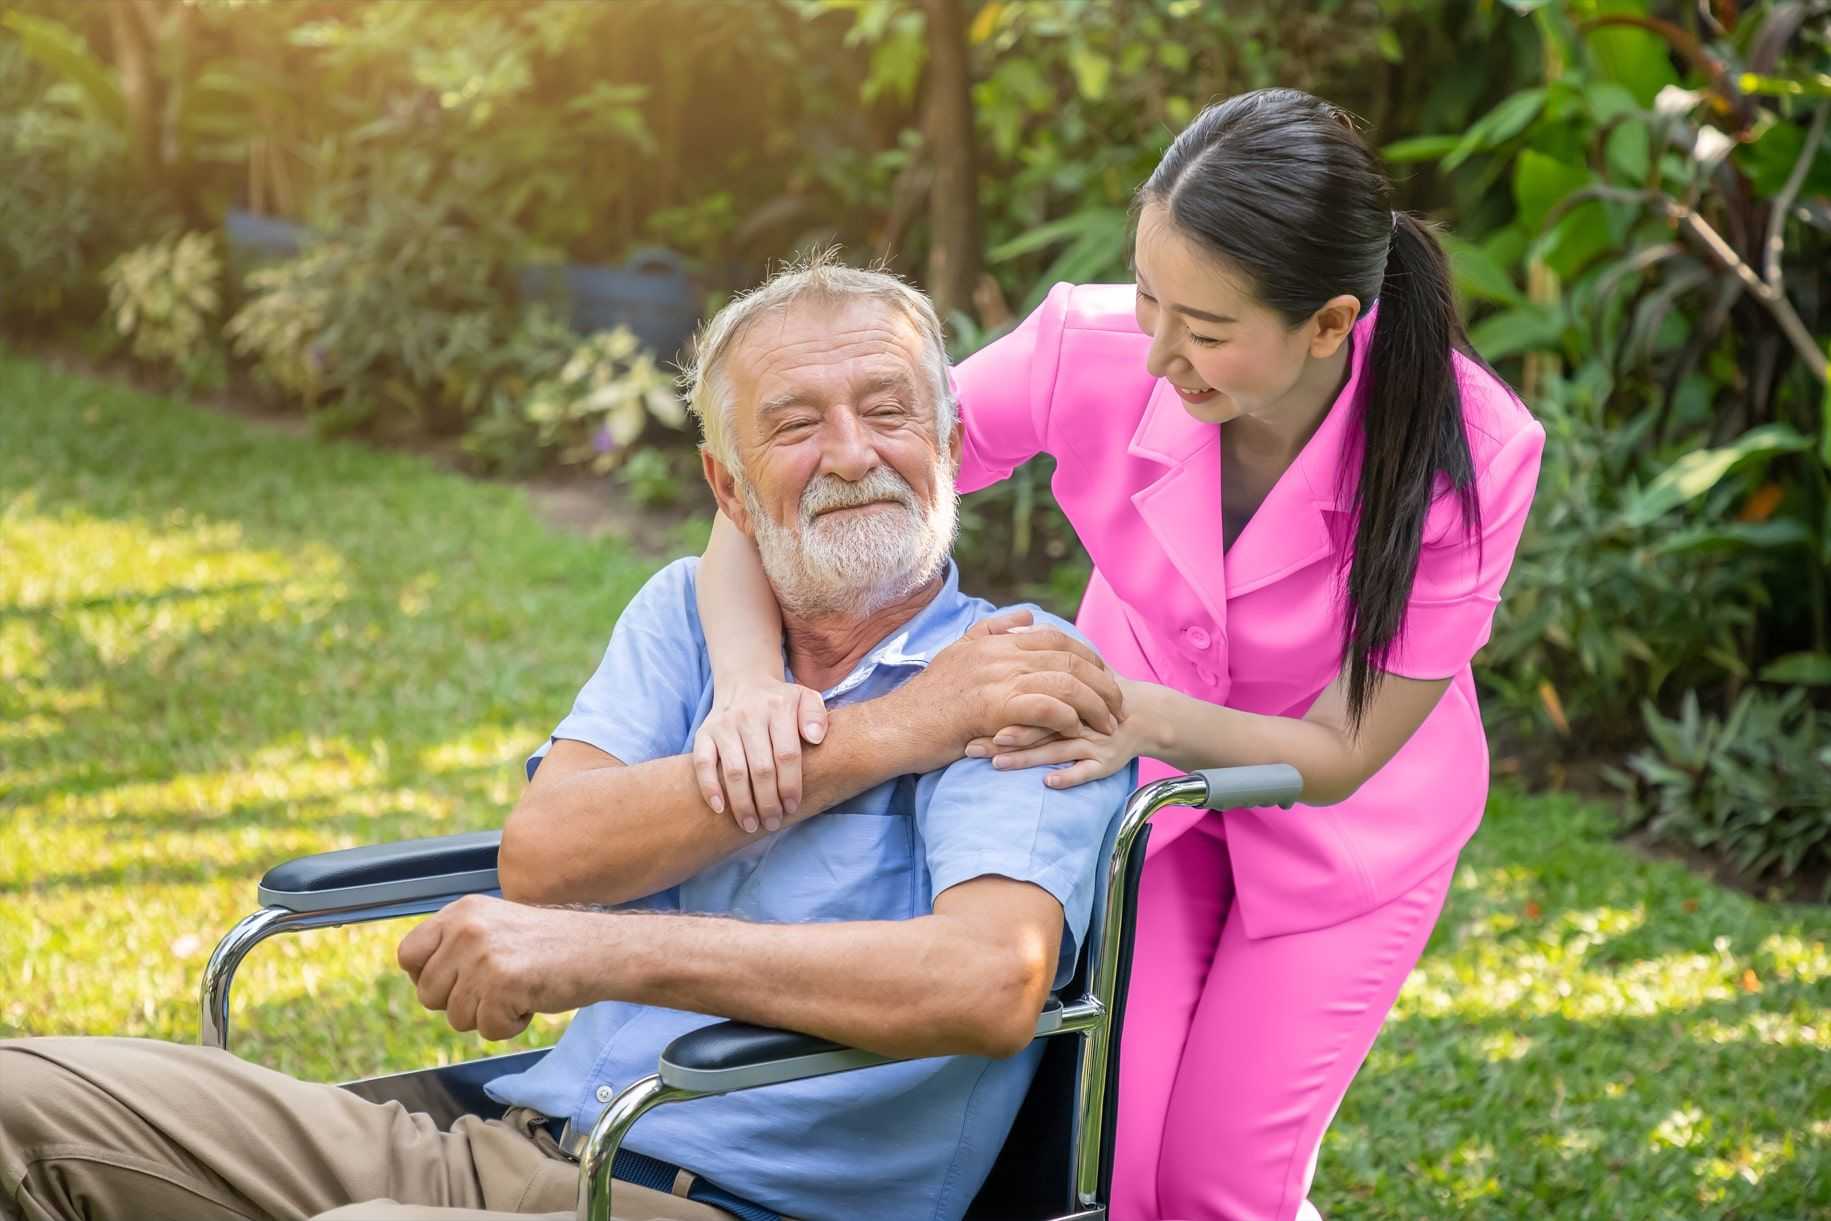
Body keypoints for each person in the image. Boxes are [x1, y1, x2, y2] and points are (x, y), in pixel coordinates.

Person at [0, 259, 1134, 1221]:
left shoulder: (1011, 670)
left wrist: (600, 954)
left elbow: (989, 979)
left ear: (943, 438)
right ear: (726, 489)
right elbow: (550, 856)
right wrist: (889, 732)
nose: (850, 453)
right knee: (20, 1103)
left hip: (715, 1202)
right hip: (504, 1151)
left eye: (888, 411)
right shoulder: (685, 615)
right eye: (795, 424)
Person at [691, 89, 1546, 1221]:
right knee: (1105, 1170)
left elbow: (1342, 754)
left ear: (1330, 325)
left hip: (1345, 835)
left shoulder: (1472, 451)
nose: (1155, 354)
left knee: (1218, 1187)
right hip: (1148, 809)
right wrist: (749, 686)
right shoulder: (1084, 351)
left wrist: (1129, 712)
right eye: (1147, 296)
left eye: (1202, 330)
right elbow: (802, 483)